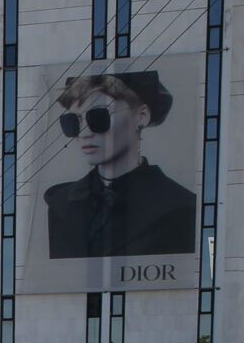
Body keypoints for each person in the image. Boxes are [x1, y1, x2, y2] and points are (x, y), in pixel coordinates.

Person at [43, 70, 197, 260]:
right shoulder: (59, 203)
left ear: (141, 116)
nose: (84, 133)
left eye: (98, 117)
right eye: (72, 122)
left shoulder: (181, 207)